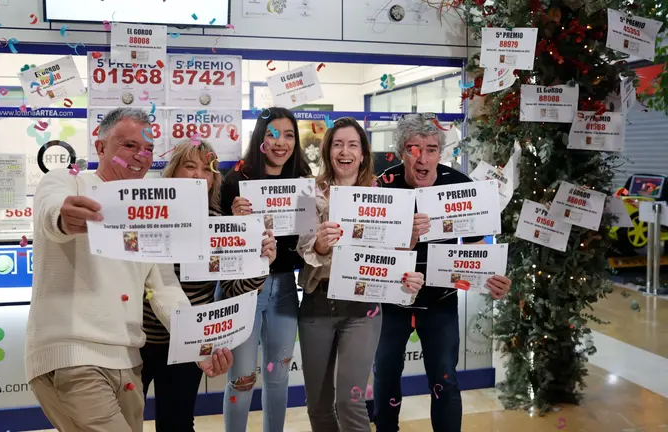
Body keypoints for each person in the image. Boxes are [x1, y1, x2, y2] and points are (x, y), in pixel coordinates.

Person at [24, 108, 232, 432]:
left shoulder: (148, 212)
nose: (141, 156)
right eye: (130, 145)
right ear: (101, 146)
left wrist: (198, 343)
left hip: (128, 363)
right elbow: (52, 209)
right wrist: (63, 218)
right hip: (74, 358)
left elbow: (164, 287)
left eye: (148, 149)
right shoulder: (69, 182)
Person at [372, 114, 513, 432]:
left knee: (445, 378)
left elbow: (479, 246)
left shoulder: (460, 184)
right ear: (401, 151)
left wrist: (494, 278)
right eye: (413, 149)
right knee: (385, 374)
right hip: (392, 301)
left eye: (432, 149)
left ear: (441, 153)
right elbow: (371, 251)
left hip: (441, 299)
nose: (423, 158)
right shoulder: (384, 185)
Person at [296, 117, 425, 432]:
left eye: (353, 144)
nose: (345, 151)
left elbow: (395, 258)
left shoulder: (386, 198)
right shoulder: (306, 194)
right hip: (317, 304)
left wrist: (410, 254)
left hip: (362, 309)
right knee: (318, 403)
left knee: (350, 402)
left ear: (364, 154)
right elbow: (302, 247)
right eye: (338, 144)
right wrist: (322, 246)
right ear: (328, 152)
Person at [140, 140, 277, 431]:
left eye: (207, 169)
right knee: (122, 421)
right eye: (189, 166)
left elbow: (235, 288)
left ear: (213, 180)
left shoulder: (219, 223)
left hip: (187, 344)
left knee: (176, 424)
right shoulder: (145, 216)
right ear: (172, 172)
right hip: (137, 341)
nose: (198, 175)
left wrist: (260, 263)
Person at [219, 107, 312, 432]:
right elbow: (217, 241)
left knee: (279, 376)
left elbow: (308, 242)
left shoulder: (303, 180)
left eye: (289, 135)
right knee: (242, 378)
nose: (281, 143)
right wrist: (234, 220)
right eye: (273, 134)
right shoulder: (235, 181)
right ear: (260, 138)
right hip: (244, 289)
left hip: (286, 287)